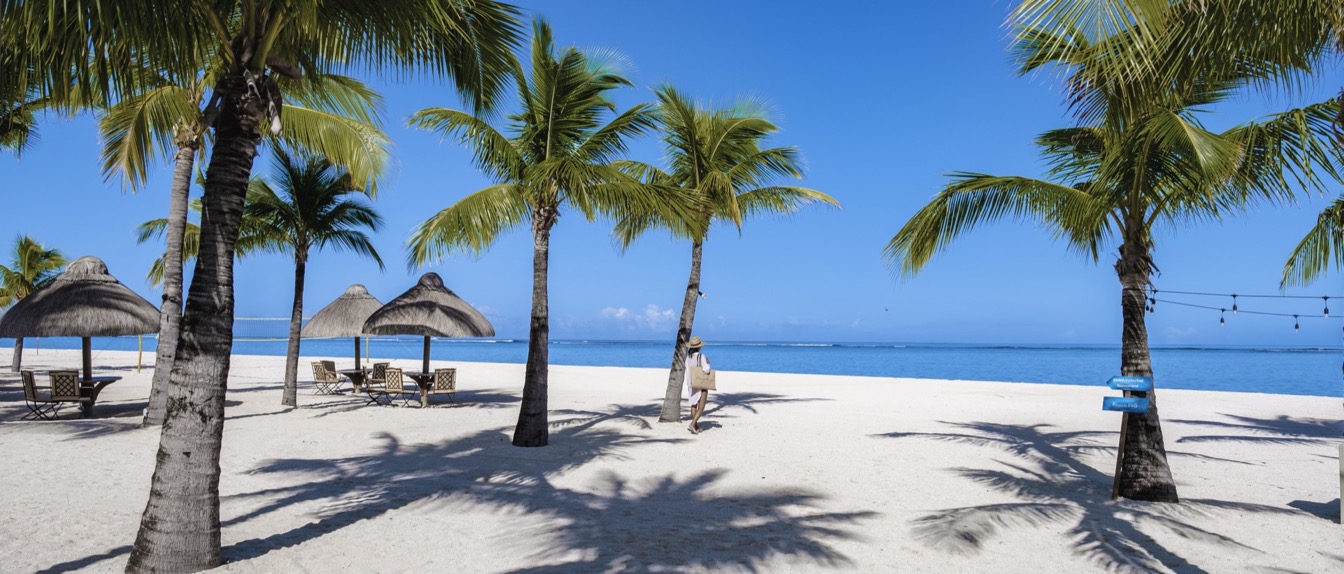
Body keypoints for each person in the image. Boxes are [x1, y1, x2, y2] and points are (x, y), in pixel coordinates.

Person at [684, 336, 711, 434]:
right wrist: (708, 363)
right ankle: (692, 423)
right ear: (699, 347)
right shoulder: (701, 356)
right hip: (700, 382)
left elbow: (687, 368)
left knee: (693, 404)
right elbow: (706, 369)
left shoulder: (688, 357)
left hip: (691, 382)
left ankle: (695, 426)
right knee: (702, 406)